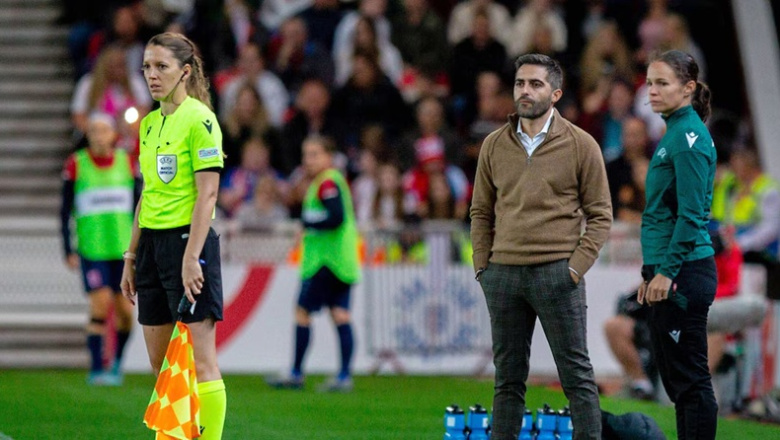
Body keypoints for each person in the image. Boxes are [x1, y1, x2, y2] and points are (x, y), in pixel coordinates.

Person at [470, 53, 612, 440]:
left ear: (556, 93)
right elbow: (480, 212)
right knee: (508, 381)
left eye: (535, 84)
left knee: (577, 378)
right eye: (520, 83)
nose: (526, 91)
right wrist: (483, 266)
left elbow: (601, 215)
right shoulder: (493, 145)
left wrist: (575, 267)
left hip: (557, 273)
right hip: (502, 275)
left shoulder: (582, 145)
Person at [119, 32, 226, 439]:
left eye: (161, 66)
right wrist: (131, 257)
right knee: (161, 364)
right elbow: (147, 194)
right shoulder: (148, 124)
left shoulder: (200, 119)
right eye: (146, 66)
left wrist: (191, 257)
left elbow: (208, 193)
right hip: (150, 248)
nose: (151, 75)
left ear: (184, 71)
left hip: (187, 244)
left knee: (201, 362)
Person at [638, 49, 717, 440]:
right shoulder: (674, 131)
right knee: (678, 383)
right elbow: (664, 214)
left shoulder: (687, 138)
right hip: (671, 270)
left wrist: (666, 271)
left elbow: (690, 216)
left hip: (684, 272)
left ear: (687, 89)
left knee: (690, 381)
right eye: (650, 82)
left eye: (662, 83)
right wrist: (650, 271)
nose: (651, 91)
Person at [268, 135, 361, 392]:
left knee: (302, 312)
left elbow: (336, 218)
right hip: (342, 261)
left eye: (314, 154)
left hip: (324, 263)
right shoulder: (332, 182)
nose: (308, 160)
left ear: (329, 157)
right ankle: (344, 376)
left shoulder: (327, 182)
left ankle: (296, 373)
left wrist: (307, 225)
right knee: (340, 314)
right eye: (306, 154)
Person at [61, 112, 138, 386]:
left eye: (103, 130)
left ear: (113, 135)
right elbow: (64, 208)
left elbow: (140, 206)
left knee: (126, 314)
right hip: (92, 249)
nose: (98, 136)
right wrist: (67, 248)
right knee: (101, 303)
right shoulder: (76, 164)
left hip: (123, 250)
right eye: (93, 131)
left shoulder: (127, 163)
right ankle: (96, 368)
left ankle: (115, 362)